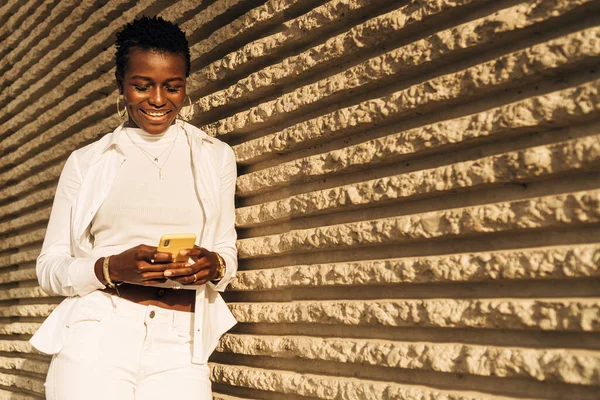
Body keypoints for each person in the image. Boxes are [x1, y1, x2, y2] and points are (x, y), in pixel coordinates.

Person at [29, 16, 237, 400]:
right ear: (120, 87)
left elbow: (226, 251)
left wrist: (215, 265)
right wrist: (110, 268)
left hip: (181, 343)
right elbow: (49, 267)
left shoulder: (215, 157)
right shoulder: (88, 161)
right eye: (142, 86)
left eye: (172, 87)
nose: (158, 100)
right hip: (99, 334)